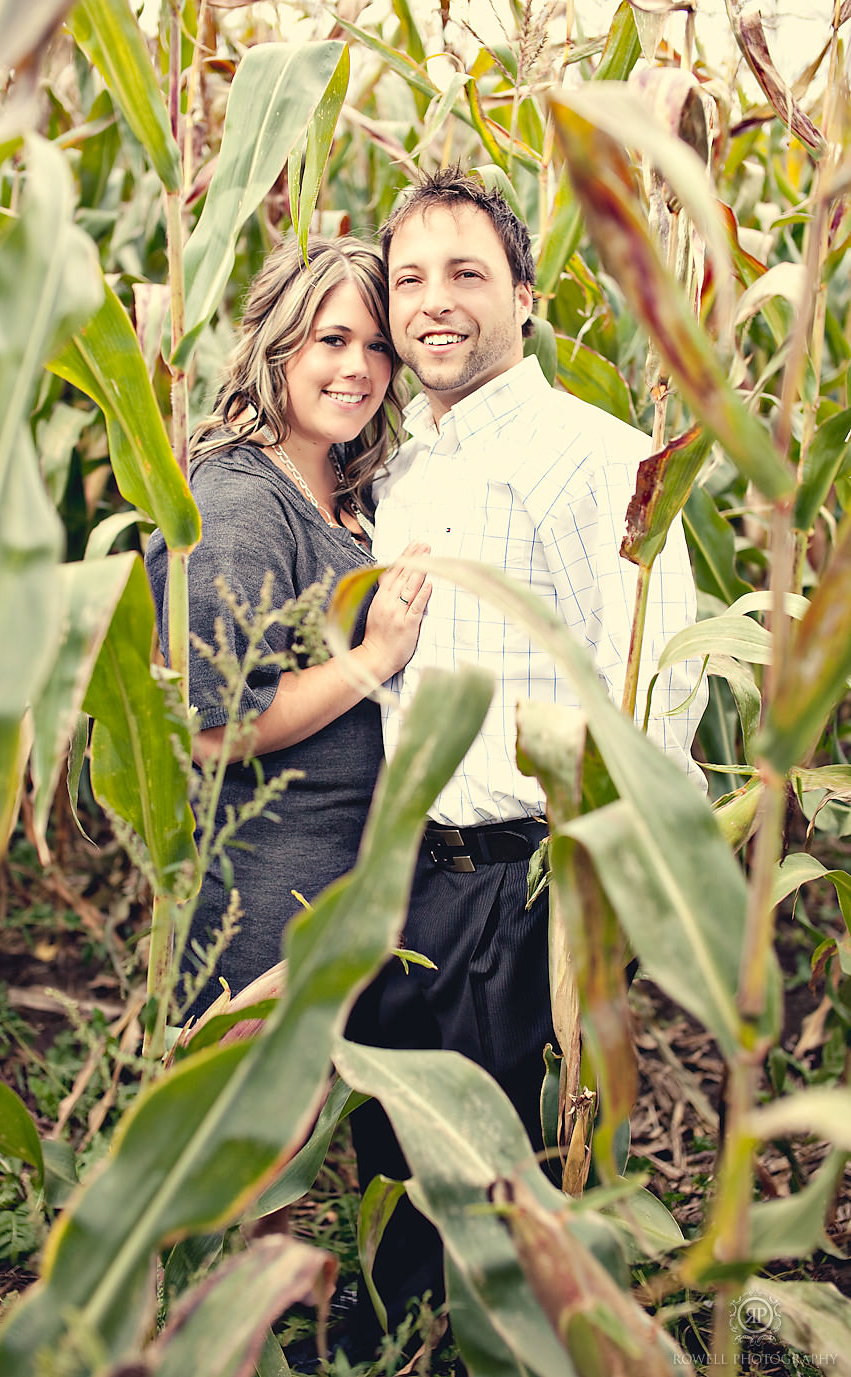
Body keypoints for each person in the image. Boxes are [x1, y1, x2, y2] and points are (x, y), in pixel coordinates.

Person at [344, 168, 708, 1348]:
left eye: (465, 273)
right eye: (409, 279)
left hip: (527, 891)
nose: (433, 302)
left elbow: (663, 691)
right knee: (403, 1180)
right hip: (406, 885)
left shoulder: (596, 458)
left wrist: (605, 912)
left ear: (527, 295)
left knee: (518, 1208)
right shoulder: (400, 474)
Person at [145, 235, 430, 1020]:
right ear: (276, 340)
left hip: (341, 885)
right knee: (249, 1132)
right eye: (332, 339)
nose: (360, 369)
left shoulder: (345, 486)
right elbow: (216, 726)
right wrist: (376, 657)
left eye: (379, 347)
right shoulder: (240, 499)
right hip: (262, 899)